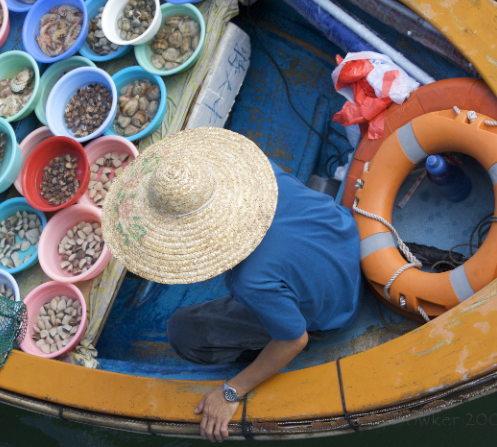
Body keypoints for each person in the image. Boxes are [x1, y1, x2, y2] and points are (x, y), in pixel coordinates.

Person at [101, 127, 362, 443]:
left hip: (336, 310)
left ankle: (252, 361)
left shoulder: (250, 282)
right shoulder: (262, 172)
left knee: (183, 331)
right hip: (351, 239)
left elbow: (295, 340)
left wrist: (232, 391)